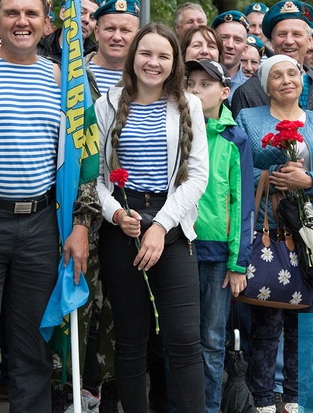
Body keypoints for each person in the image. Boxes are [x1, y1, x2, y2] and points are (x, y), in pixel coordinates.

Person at [0, 0, 99, 412]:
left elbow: (87, 158)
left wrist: (81, 224)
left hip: (40, 225)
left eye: (31, 13)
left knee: (32, 347)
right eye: (11, 12)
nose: (22, 21)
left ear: (47, 24)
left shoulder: (67, 82)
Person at [95, 23, 209, 413]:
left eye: (163, 55)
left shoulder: (188, 105)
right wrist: (115, 214)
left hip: (172, 227)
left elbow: (197, 176)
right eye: (146, 53)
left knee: (183, 340)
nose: (153, 62)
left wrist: (160, 225)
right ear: (133, 57)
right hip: (121, 228)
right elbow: (96, 177)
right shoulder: (107, 104)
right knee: (130, 341)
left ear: (174, 62)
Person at [237, 55, 313, 413]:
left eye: (293, 73)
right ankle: (262, 398)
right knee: (268, 316)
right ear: (264, 83)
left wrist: (310, 180)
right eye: (277, 75)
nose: (286, 80)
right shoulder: (249, 118)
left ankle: (296, 397)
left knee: (309, 315)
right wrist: (271, 179)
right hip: (270, 231)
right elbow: (236, 170)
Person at [232, 0, 313, 294]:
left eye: (297, 33)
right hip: (269, 223)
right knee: (273, 305)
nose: (289, 41)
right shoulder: (248, 93)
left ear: (310, 40)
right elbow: (235, 164)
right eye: (281, 34)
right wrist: (275, 176)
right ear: (269, 39)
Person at [185, 59, 254, 413]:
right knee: (180, 339)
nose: (196, 91)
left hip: (216, 255)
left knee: (212, 340)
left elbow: (242, 203)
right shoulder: (176, 129)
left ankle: (209, 407)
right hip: (179, 247)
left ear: (224, 93)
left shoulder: (234, 138)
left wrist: (238, 261)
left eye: (205, 84)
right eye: (190, 83)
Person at [38, 0, 104, 62]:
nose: (86, 20)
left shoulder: (97, 57)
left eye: (92, 17)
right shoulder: (38, 48)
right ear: (63, 13)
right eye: (81, 12)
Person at [88, 0, 141, 92]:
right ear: (97, 32)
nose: (117, 37)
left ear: (137, 36)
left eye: (125, 30)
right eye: (110, 29)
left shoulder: (144, 79)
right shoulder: (73, 71)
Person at [211, 11, 250, 95]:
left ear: (245, 50)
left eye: (237, 40)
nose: (230, 45)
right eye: (224, 38)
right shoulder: (194, 83)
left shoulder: (252, 90)